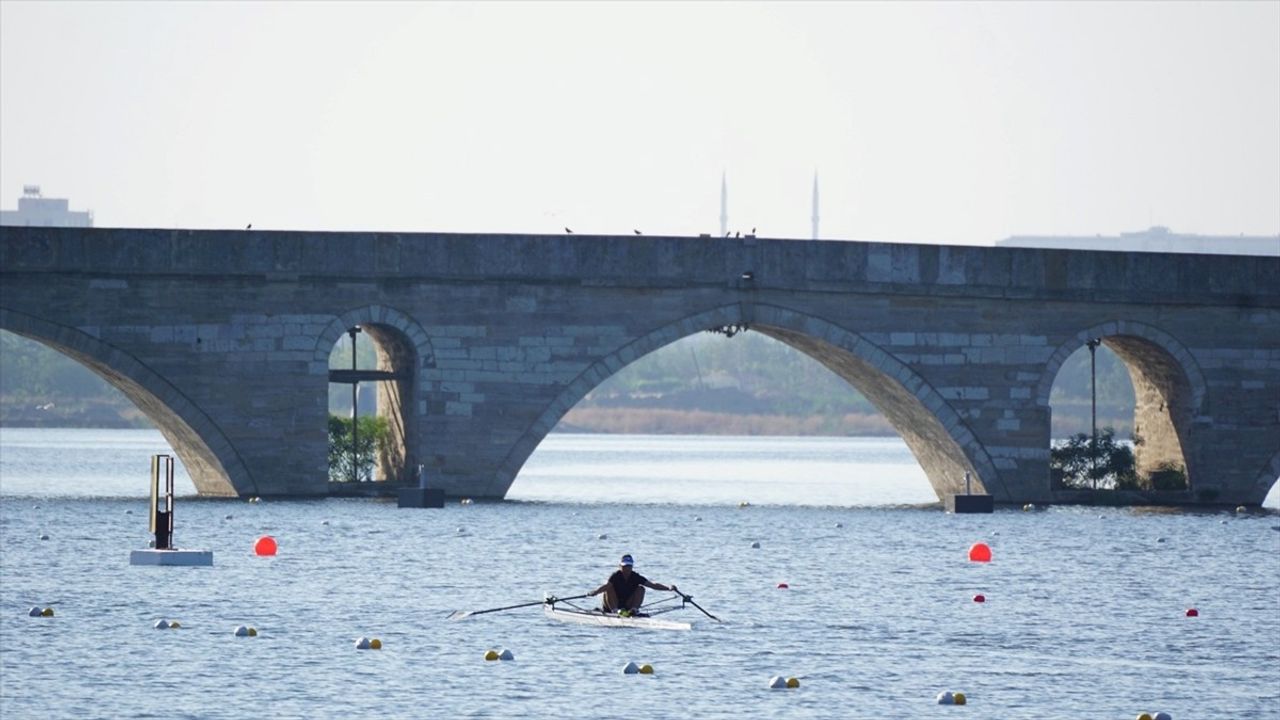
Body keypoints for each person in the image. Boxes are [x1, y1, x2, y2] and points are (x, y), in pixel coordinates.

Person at [589, 554, 675, 616]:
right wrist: (595, 592)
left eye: (629, 566)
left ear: (632, 566)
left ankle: (633, 610)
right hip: (611, 605)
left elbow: (652, 585)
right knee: (608, 588)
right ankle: (615, 612)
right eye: (624, 566)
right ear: (620, 566)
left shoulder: (635, 576)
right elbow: (605, 586)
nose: (626, 568)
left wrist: (668, 588)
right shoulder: (615, 576)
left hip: (626, 606)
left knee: (641, 588)